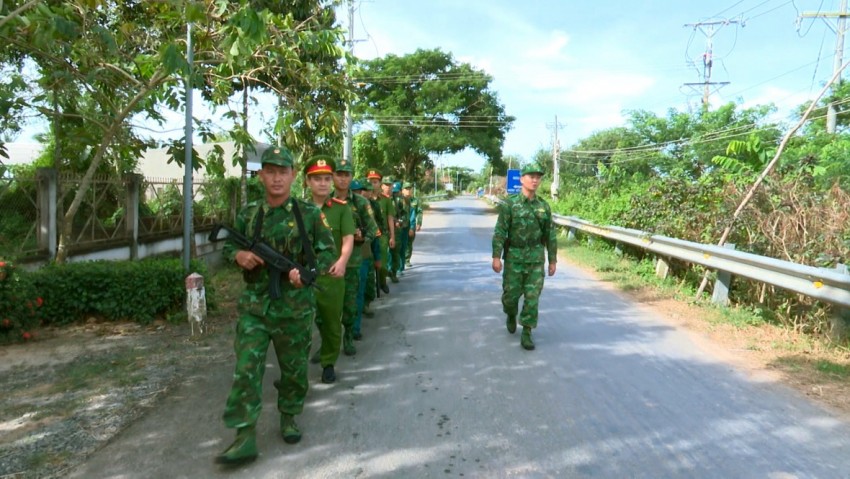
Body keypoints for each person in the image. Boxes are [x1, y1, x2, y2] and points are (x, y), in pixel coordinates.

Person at [217, 146, 336, 465]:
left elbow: (327, 251)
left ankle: (289, 415)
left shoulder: (308, 214)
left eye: (283, 172)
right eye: (270, 171)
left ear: (293, 176)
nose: (277, 178)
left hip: (295, 308)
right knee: (246, 369)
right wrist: (238, 256)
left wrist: (307, 274)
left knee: (295, 370)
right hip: (255, 307)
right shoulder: (249, 214)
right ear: (261, 175)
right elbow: (230, 245)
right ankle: (243, 436)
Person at [491, 162, 557, 351]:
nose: (535, 180)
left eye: (538, 177)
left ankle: (527, 332)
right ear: (522, 179)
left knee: (532, 296)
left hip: (536, 258)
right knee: (510, 297)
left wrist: (552, 260)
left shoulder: (543, 206)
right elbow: (500, 232)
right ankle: (511, 313)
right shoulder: (510, 204)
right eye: (531, 176)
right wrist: (497, 256)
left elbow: (550, 235)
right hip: (514, 257)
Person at [305, 155, 355, 382]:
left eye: (327, 178)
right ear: (307, 182)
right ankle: (295, 370)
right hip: (303, 277)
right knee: (300, 325)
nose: (323, 183)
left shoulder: (341, 209)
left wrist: (343, 261)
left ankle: (328, 363)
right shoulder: (298, 209)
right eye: (317, 179)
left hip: (331, 276)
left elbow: (347, 238)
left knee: (332, 322)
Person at [332, 161, 378, 346]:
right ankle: (329, 343)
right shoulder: (325, 200)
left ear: (351, 177)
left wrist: (361, 238)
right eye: (339, 174)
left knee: (350, 304)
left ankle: (349, 336)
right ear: (333, 176)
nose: (343, 179)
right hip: (327, 261)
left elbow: (373, 230)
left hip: (352, 262)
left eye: (346, 175)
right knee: (326, 308)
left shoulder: (361, 202)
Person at [368, 170, 395, 293]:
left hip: (382, 236)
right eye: (370, 182)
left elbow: (390, 218)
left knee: (383, 264)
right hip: (368, 237)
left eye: (375, 182)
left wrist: (392, 236)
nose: (373, 184)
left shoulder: (385, 200)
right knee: (368, 265)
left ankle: (382, 281)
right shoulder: (362, 199)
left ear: (379, 183)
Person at [391, 181, 410, 277]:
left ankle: (399, 267)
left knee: (401, 247)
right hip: (390, 228)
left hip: (402, 227)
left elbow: (405, 214)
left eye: (396, 191)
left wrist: (400, 221)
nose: (394, 193)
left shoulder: (402, 200)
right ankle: (392, 268)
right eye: (393, 191)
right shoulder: (387, 199)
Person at [402, 182, 422, 268]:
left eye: (410, 189)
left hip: (411, 225)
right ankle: (400, 260)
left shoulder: (415, 201)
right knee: (402, 243)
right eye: (406, 189)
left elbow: (419, 212)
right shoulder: (399, 200)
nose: (408, 191)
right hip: (401, 225)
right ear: (402, 190)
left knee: (409, 243)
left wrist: (419, 223)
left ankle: (407, 260)